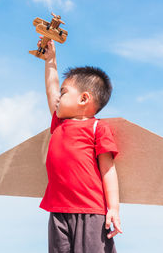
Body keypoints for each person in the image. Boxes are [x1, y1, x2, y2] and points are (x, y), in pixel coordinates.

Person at [38, 38, 122, 253]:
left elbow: (108, 169)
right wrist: (50, 61)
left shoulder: (98, 128)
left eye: (64, 93)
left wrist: (113, 208)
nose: (58, 98)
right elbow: (51, 90)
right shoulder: (59, 124)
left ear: (84, 99)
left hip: (91, 212)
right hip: (58, 211)